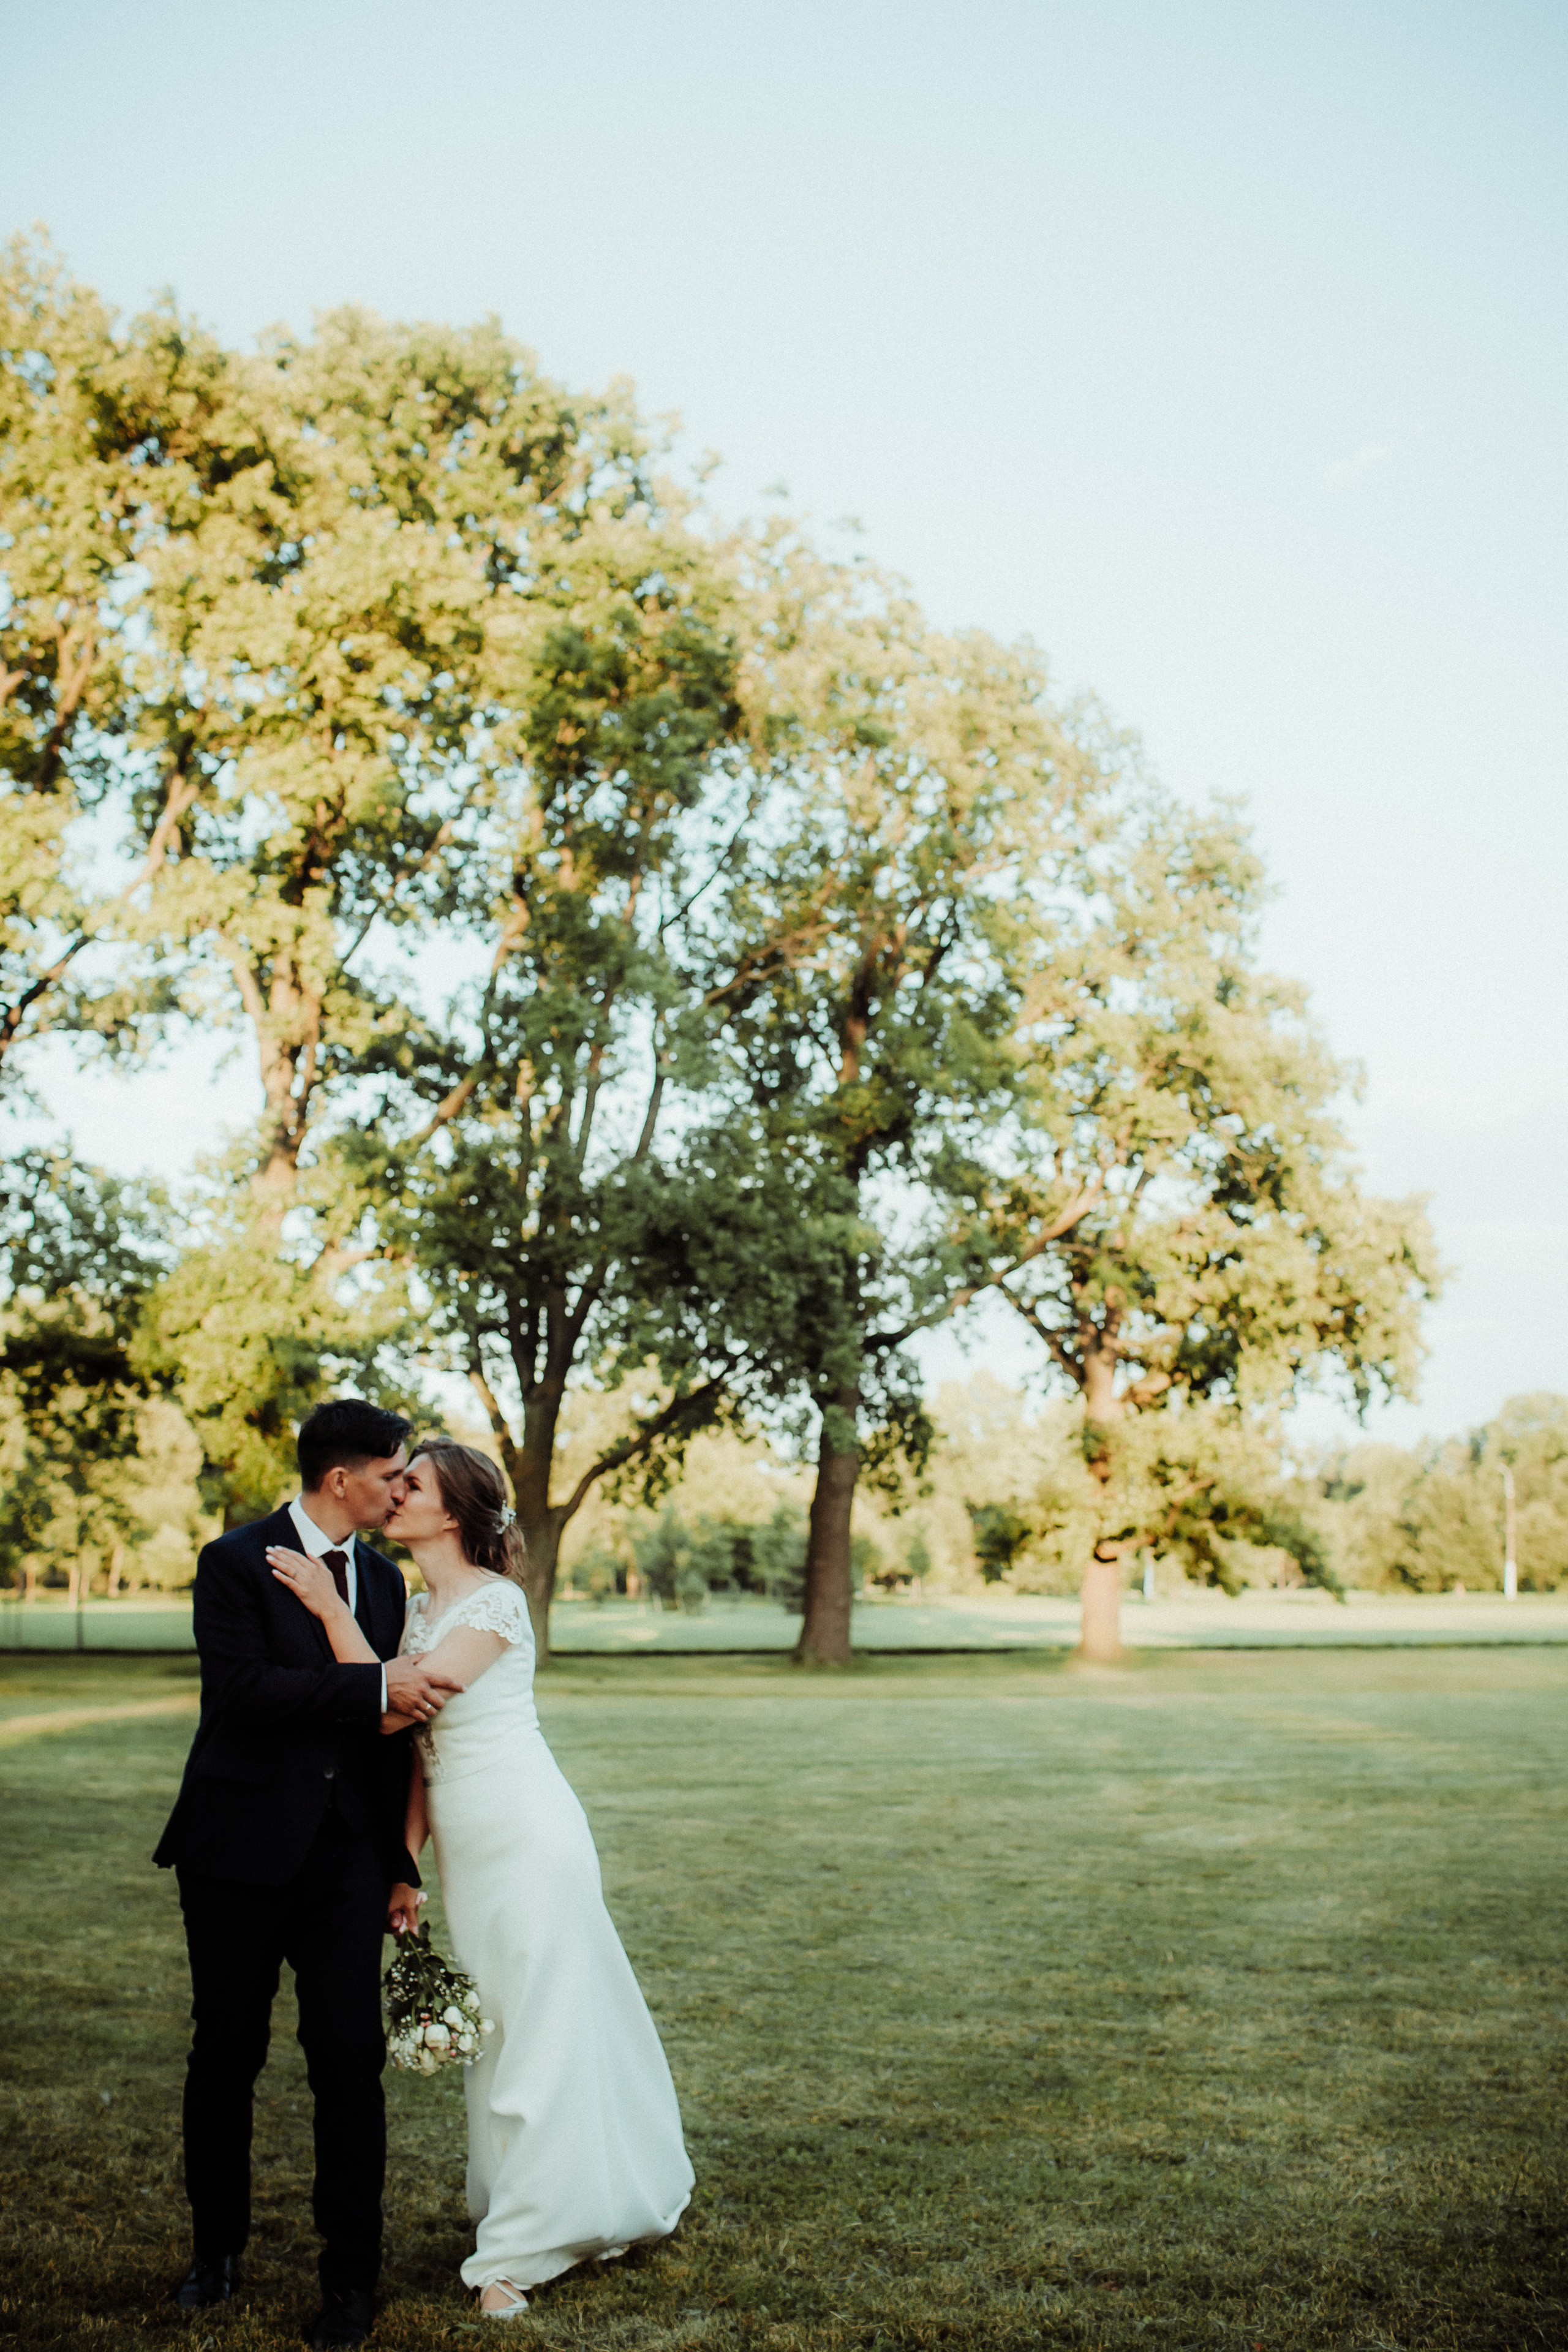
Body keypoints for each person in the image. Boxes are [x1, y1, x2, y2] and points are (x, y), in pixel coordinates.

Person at [266, 1435, 694, 2320]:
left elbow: (401, 1701)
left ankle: (518, 2255)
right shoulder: (419, 1611)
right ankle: (552, 2198)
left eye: (410, 1483)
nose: (393, 1494)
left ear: (451, 1512)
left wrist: (323, 1605)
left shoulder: (495, 1605)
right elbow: (412, 1750)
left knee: (539, 2024)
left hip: (528, 1831)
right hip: (467, 1849)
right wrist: (405, 1866)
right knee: (502, 2029)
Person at [155, 1398, 467, 2351]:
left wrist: (401, 1863)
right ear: (344, 1478)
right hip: (236, 1852)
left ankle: (351, 2283)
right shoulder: (232, 1561)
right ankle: (216, 2253)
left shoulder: (383, 1581)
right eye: (391, 1474)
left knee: (348, 2065)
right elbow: (243, 1693)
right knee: (226, 2054)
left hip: (344, 1861)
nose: (400, 1487)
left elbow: (391, 1741)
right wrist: (374, 1685)